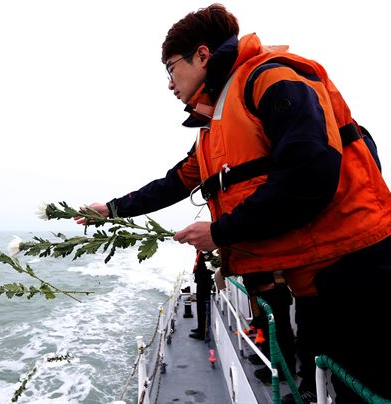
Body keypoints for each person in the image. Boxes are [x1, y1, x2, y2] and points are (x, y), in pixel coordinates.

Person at [75, 4, 391, 403]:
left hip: (356, 267)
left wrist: (220, 232)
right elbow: (174, 182)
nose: (170, 82)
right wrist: (112, 209)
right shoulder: (214, 127)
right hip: (312, 277)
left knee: (362, 385)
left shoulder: (271, 79)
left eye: (171, 68)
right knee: (320, 383)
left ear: (202, 55)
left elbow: (310, 174)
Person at [189, 250, 214, 340]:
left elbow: (209, 268)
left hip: (204, 283)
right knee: (199, 306)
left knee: (202, 307)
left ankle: (202, 333)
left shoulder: (208, 252)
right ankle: (200, 327)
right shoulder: (201, 251)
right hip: (201, 282)